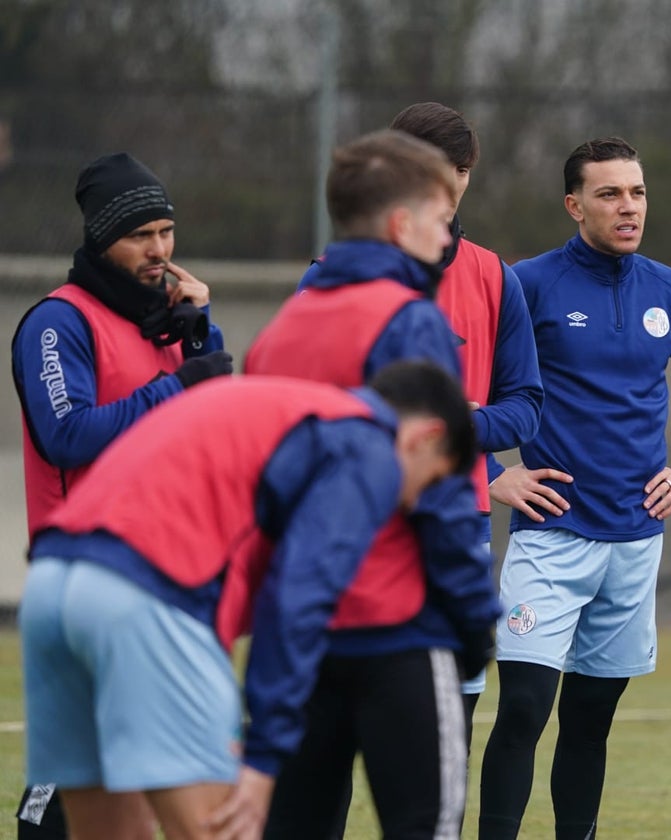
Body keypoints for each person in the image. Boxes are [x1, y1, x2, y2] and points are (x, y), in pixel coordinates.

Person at [19, 360, 474, 840]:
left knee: (109, 831)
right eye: (429, 481)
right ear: (425, 437)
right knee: (223, 830)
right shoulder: (368, 444)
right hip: (143, 593)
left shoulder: (290, 408)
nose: (409, 503)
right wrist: (263, 756)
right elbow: (299, 600)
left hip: (52, 581)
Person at [477, 136, 671, 840]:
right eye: (610, 194)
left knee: (590, 722)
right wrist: (492, 474)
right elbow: (454, 383)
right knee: (525, 707)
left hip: (634, 544)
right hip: (550, 539)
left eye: (639, 193)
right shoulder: (526, 284)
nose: (629, 208)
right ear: (573, 204)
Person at [246, 128, 502, 838]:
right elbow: (443, 483)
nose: (449, 238)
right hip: (400, 631)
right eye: (442, 221)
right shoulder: (410, 322)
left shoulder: (279, 332)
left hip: (305, 634)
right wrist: (473, 619)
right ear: (401, 225)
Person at [298, 102, 544, 745]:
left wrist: (465, 430)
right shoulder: (321, 286)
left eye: (462, 169)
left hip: (447, 533)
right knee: (327, 761)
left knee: (439, 756)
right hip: (346, 544)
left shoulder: (495, 277)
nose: (454, 184)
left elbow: (525, 407)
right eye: (440, 168)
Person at [10, 152, 232, 839]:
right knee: (68, 788)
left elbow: (214, 427)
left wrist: (202, 331)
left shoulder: (164, 322)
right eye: (142, 235)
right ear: (102, 238)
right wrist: (179, 384)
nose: (160, 250)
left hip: (164, 573)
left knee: (130, 777)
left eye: (166, 232)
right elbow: (67, 435)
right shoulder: (58, 322)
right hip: (83, 577)